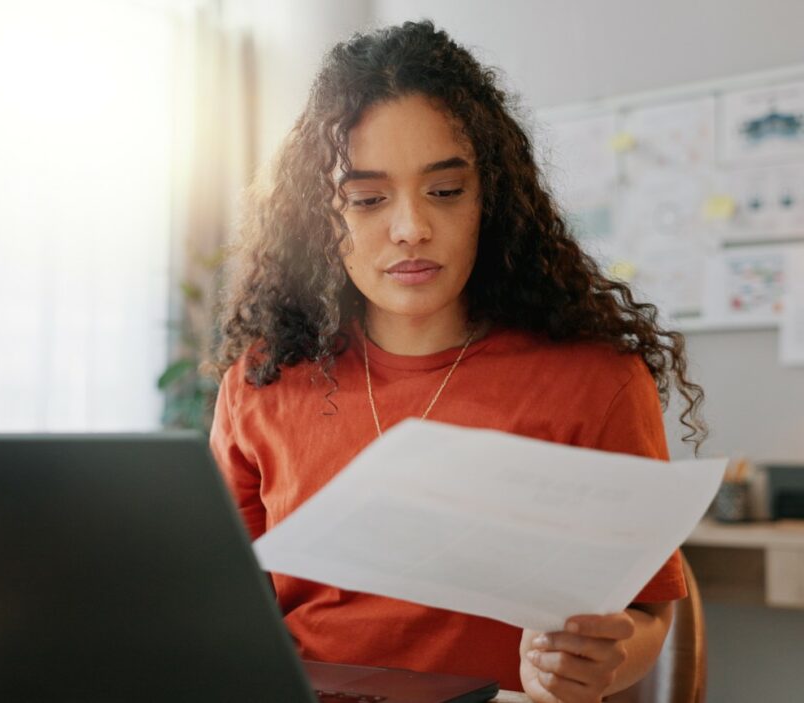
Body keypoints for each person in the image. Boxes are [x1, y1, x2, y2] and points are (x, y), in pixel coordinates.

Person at [208, 20, 706, 703]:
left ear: (488, 199)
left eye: (444, 191)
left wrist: (596, 661)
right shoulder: (263, 380)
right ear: (321, 217)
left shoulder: (596, 381)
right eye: (367, 199)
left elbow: (647, 616)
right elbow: (226, 605)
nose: (411, 227)